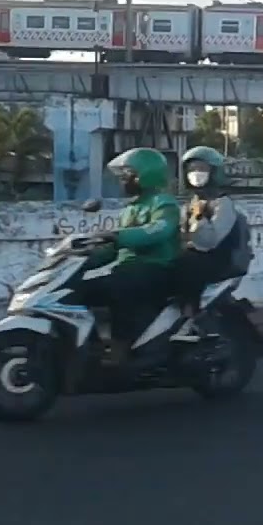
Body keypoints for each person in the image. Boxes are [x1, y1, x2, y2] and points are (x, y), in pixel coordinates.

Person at [83, 148, 182, 366]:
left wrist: (118, 235)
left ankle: (121, 348)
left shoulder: (164, 203)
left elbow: (159, 230)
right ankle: (91, 344)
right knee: (80, 286)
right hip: (129, 266)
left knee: (119, 286)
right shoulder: (131, 208)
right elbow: (116, 247)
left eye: (128, 174)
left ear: (145, 175)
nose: (123, 180)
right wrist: (86, 258)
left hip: (157, 267)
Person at [176, 146, 252, 313]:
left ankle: (190, 313)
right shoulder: (190, 204)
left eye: (202, 169)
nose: (196, 174)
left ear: (215, 172)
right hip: (196, 256)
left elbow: (208, 241)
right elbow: (182, 235)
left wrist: (199, 217)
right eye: (191, 169)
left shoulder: (223, 204)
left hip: (220, 260)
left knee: (188, 263)